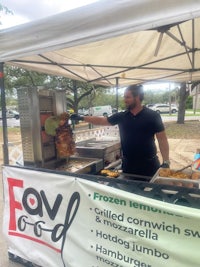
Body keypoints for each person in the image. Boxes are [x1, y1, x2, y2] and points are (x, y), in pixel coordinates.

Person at [71, 84, 170, 177]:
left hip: (149, 165)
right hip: (128, 165)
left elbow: (162, 140)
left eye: (127, 97)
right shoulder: (122, 116)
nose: (125, 100)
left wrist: (166, 162)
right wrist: (82, 117)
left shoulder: (153, 116)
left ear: (138, 97)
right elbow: (102, 120)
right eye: (124, 97)